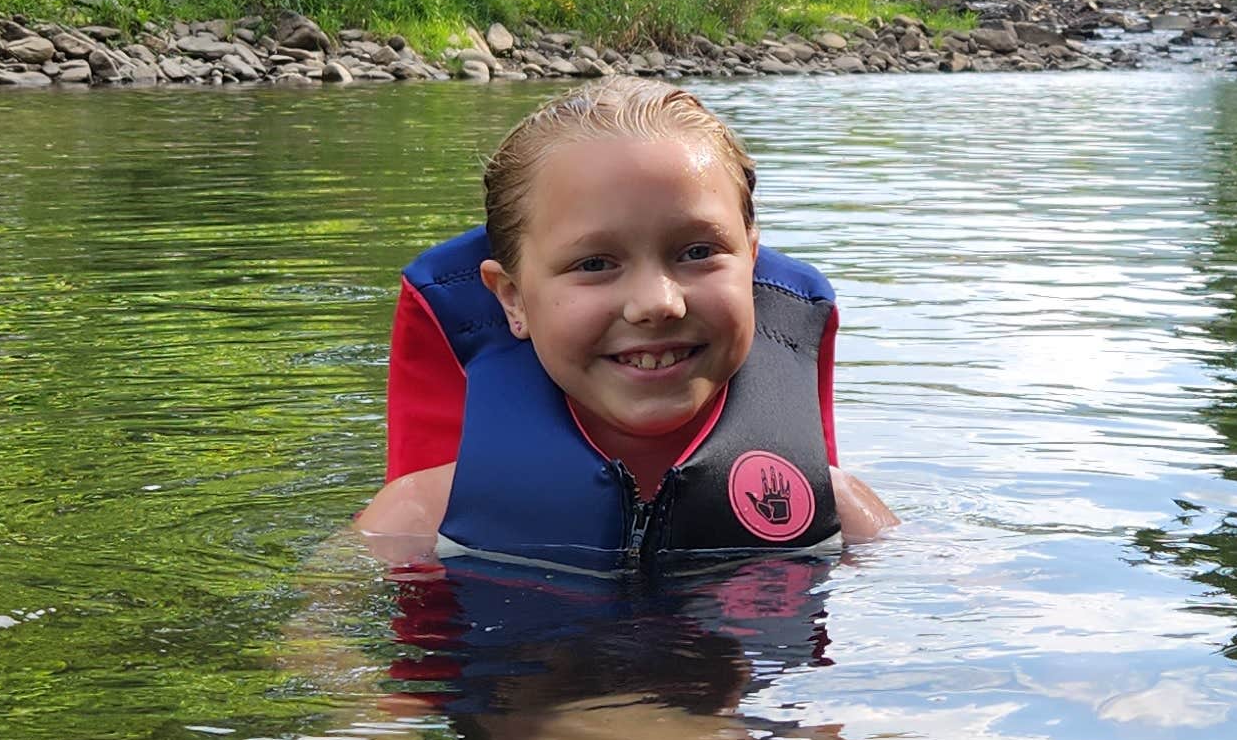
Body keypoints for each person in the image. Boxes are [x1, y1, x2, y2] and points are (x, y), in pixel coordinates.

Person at [360, 78, 898, 570]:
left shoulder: (836, 513)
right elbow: (319, 645)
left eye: (697, 251)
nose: (656, 303)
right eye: (594, 264)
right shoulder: (421, 519)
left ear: (751, 265)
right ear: (514, 300)